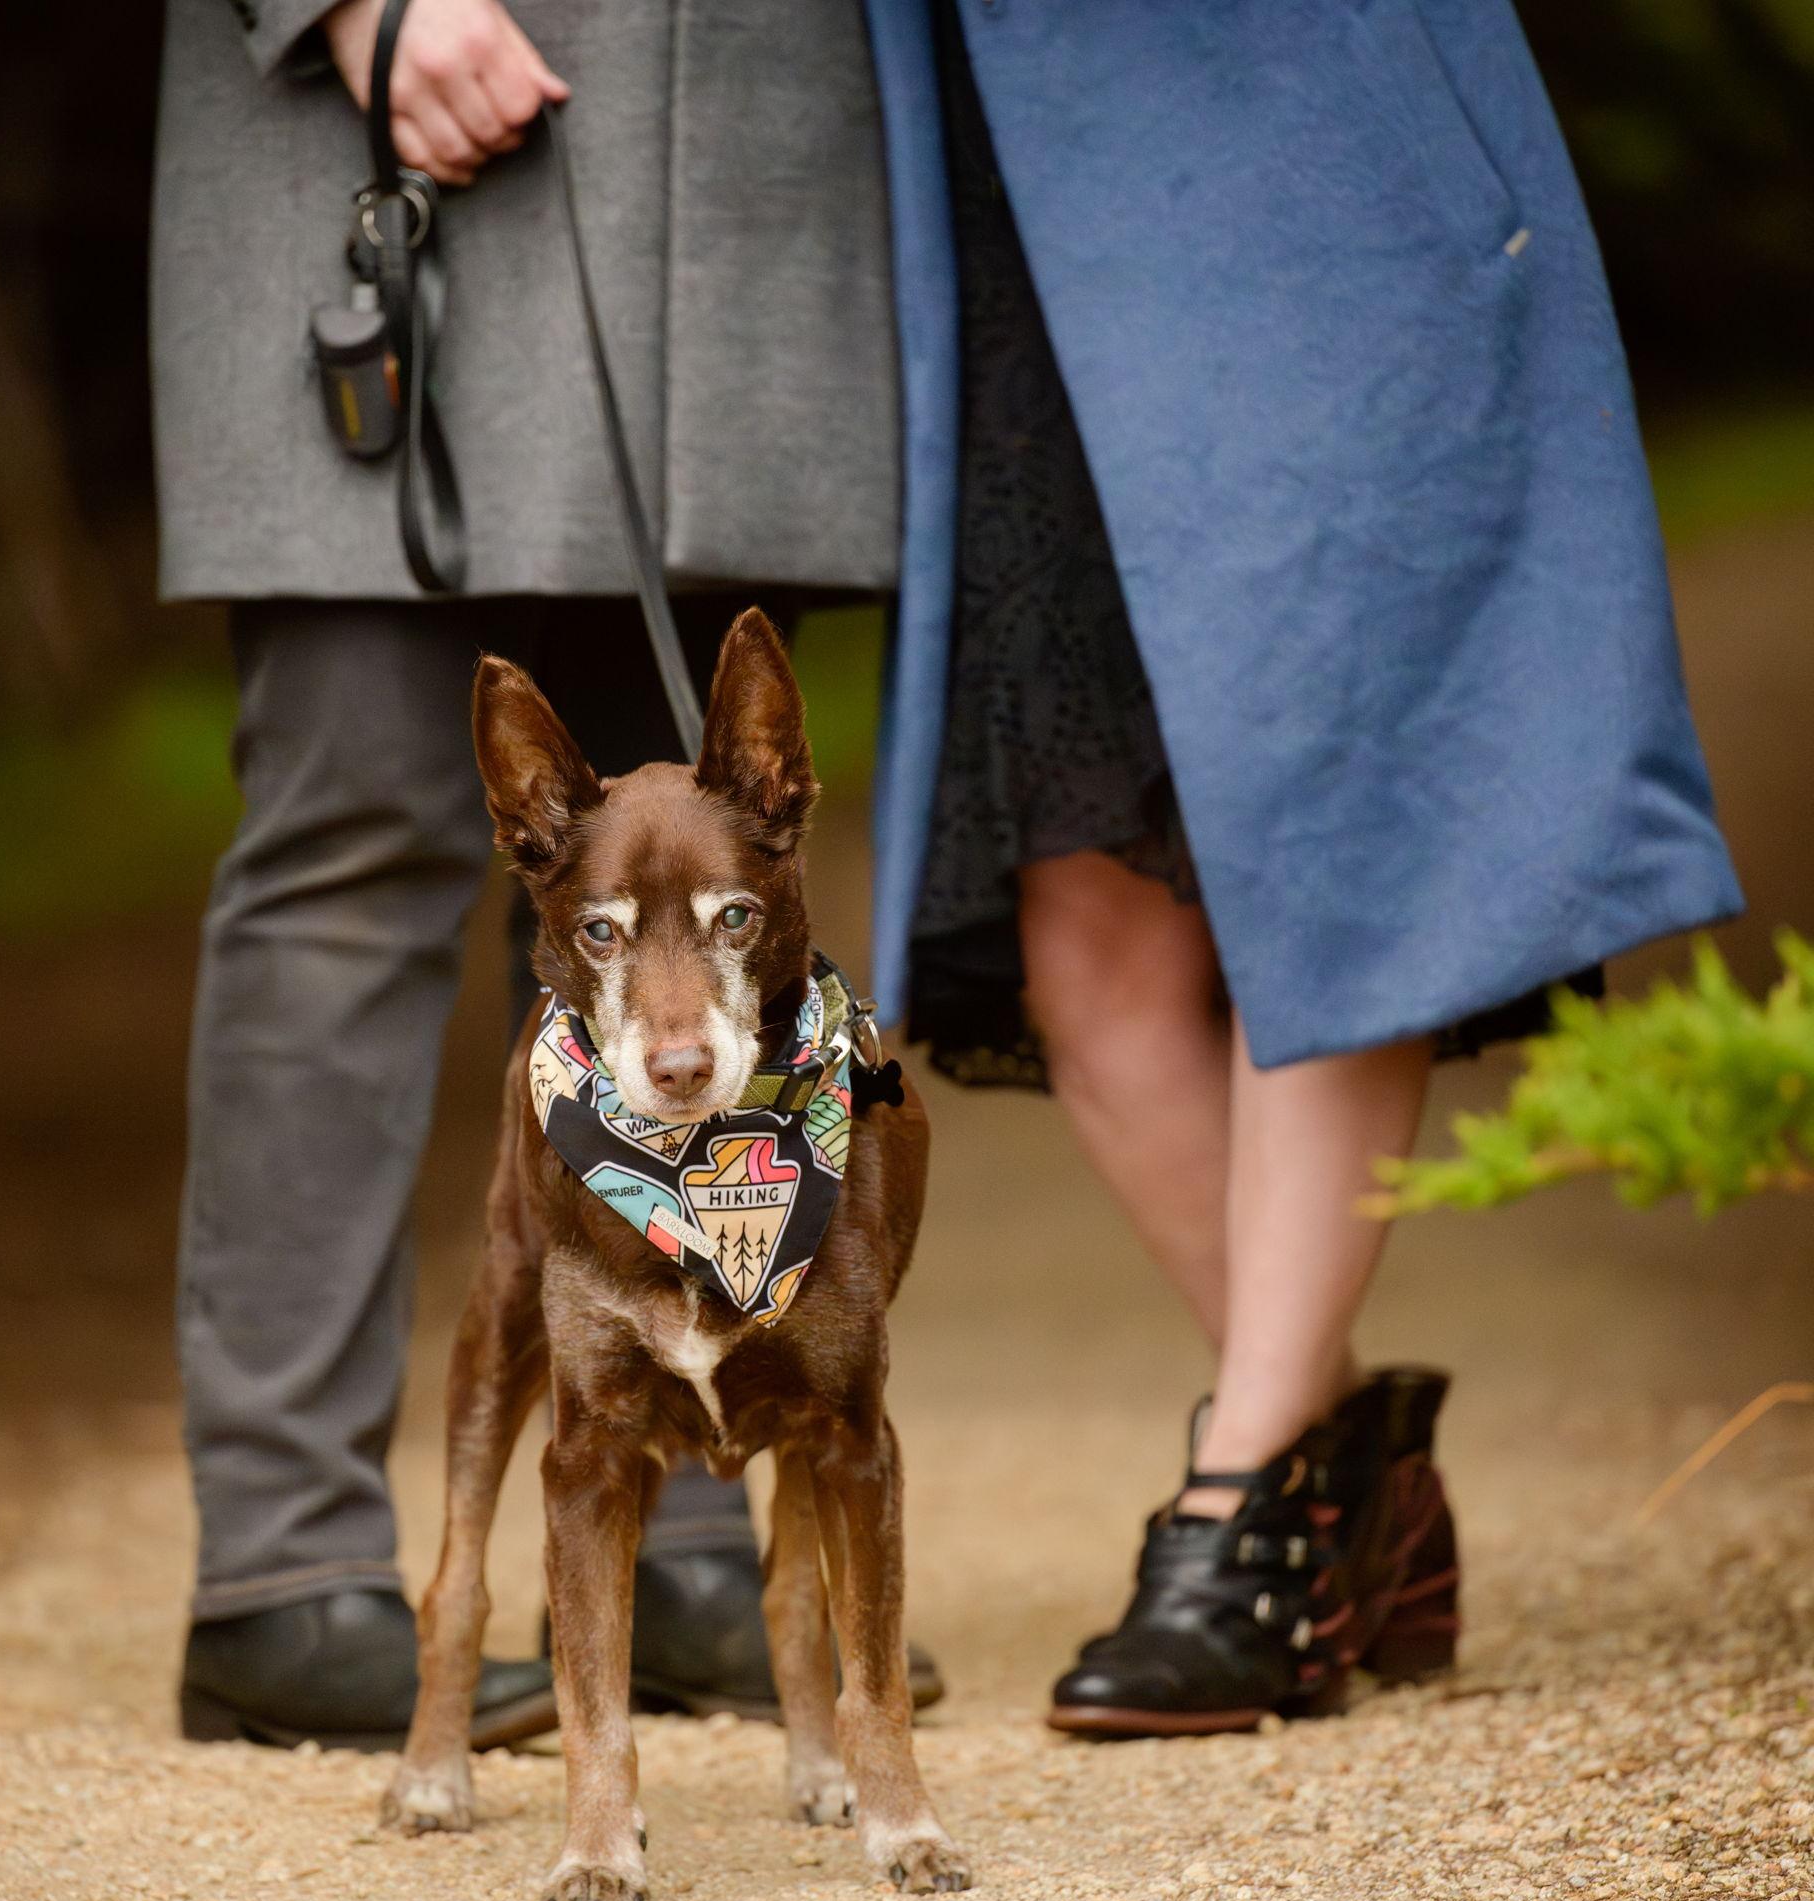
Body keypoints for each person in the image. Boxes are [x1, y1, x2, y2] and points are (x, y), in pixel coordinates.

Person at [857, 1, 1742, 1733]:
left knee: (1338, 864)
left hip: (1326, 211)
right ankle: (1351, 1484)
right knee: (1086, 951)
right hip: (1010, 248)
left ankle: (1245, 1499)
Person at [148, 0, 933, 1746]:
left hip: (707, 215)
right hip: (366, 164)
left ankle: (692, 1517)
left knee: (671, 854)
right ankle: (284, 1561)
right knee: (352, 847)